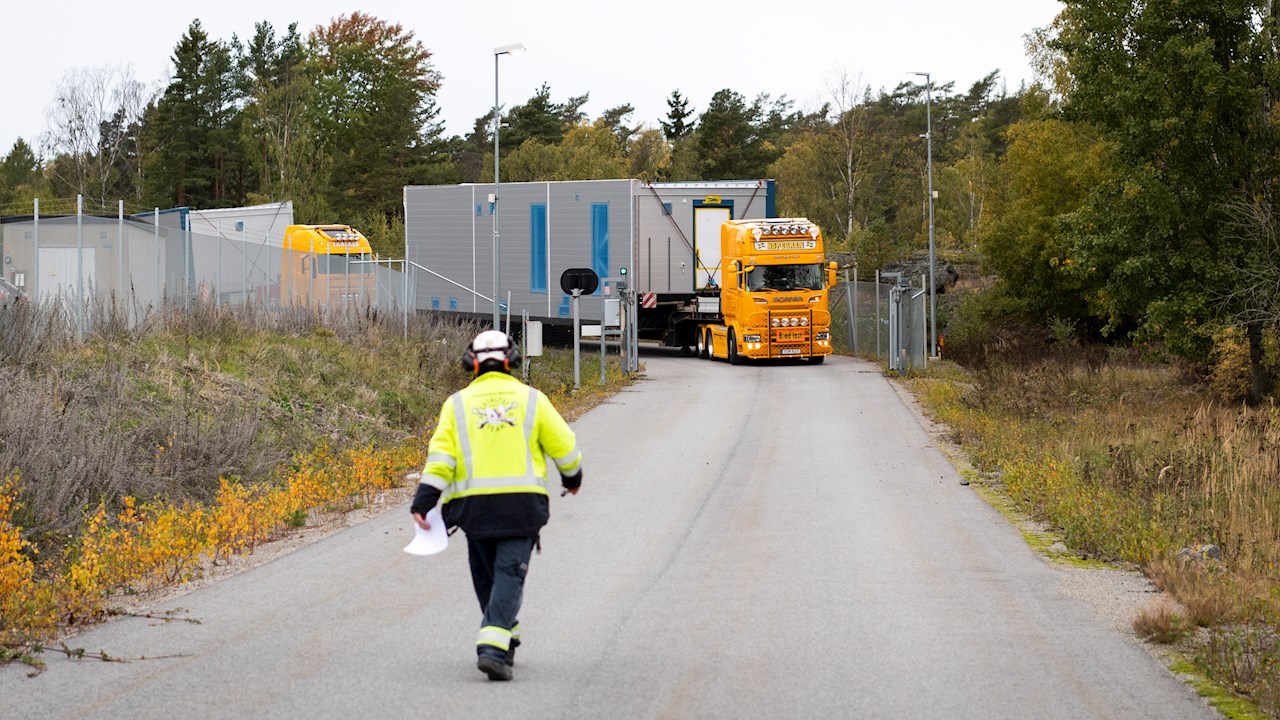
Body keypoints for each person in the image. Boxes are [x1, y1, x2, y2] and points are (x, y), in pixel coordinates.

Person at [411, 329, 583, 681]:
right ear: (512, 360)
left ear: (470, 362)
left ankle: (506, 632)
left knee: (486, 575)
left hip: (473, 510)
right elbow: (563, 445)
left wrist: (425, 499)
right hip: (521, 507)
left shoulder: (456, 404)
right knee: (509, 574)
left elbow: (441, 458)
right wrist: (572, 477)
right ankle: (492, 647)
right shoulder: (532, 399)